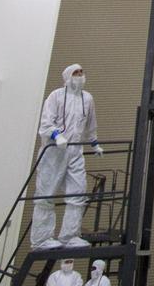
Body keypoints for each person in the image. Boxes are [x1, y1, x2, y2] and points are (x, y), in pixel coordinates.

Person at [31, 63, 101, 249]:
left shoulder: (87, 99)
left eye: (81, 72)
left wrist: (94, 143)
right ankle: (41, 239)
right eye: (76, 73)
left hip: (75, 151)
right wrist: (56, 135)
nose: (80, 75)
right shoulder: (56, 96)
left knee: (78, 192)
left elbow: (90, 124)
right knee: (46, 193)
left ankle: (69, 235)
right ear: (68, 77)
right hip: (54, 151)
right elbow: (46, 122)